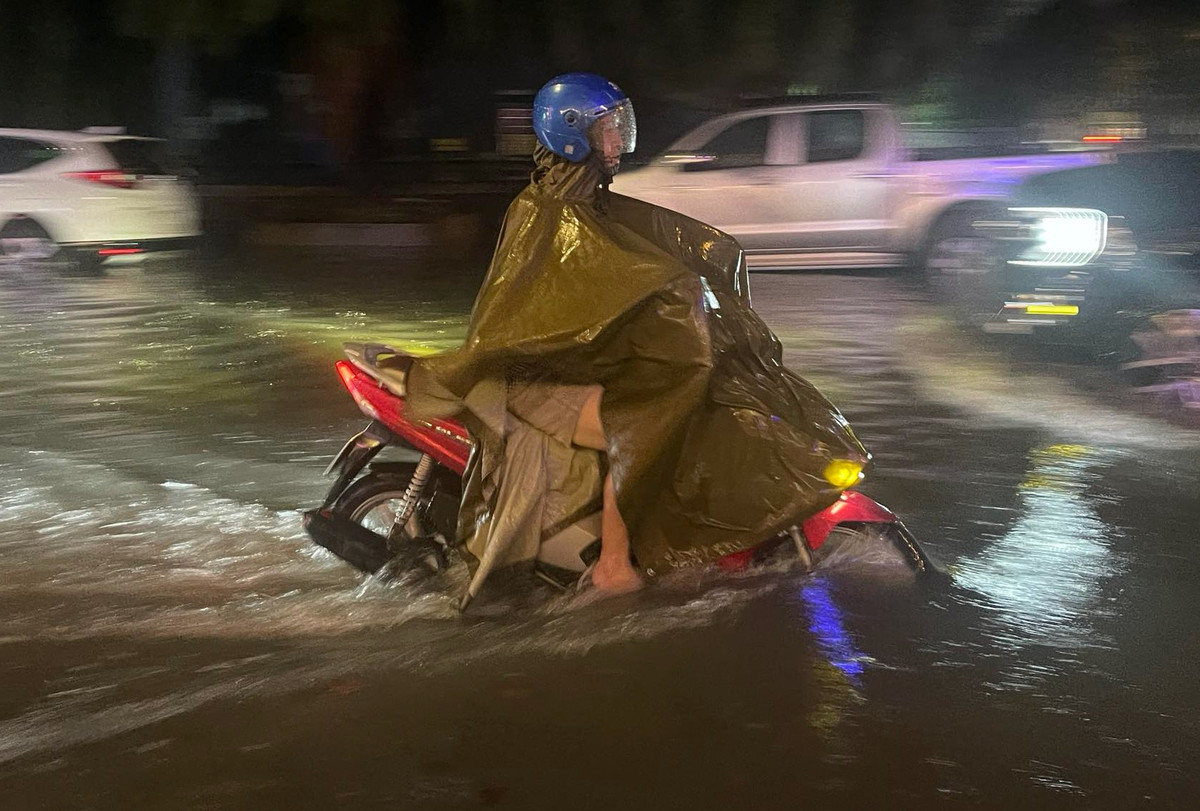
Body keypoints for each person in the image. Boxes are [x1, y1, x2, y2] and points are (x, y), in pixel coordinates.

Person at [404, 73, 869, 606]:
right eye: (608, 129)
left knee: (678, 399)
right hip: (527, 381)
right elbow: (555, 309)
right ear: (572, 135)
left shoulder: (591, 204)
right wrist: (675, 290)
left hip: (575, 368)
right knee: (641, 420)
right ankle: (613, 565)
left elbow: (618, 282)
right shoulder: (545, 212)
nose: (618, 140)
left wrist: (706, 269)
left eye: (619, 126)